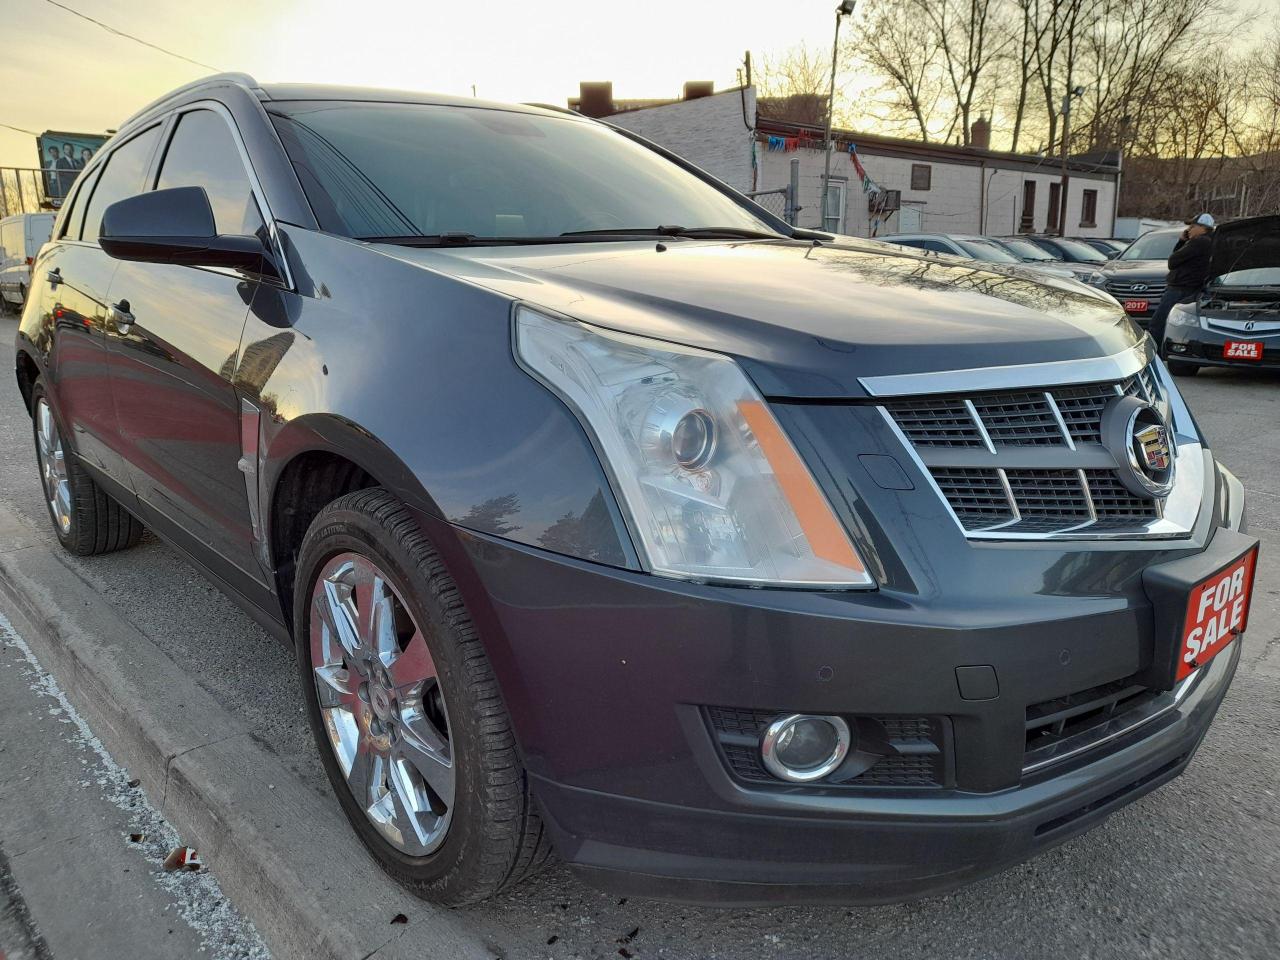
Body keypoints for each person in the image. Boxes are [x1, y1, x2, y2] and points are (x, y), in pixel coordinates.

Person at [1149, 213, 1215, 351]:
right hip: (1192, 288)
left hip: (1180, 289)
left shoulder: (1199, 242)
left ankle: (1155, 356)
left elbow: (1173, 261)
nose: (1189, 229)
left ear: (1203, 228)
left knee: (1158, 323)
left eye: (1192, 226)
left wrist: (1182, 242)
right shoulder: (1211, 241)